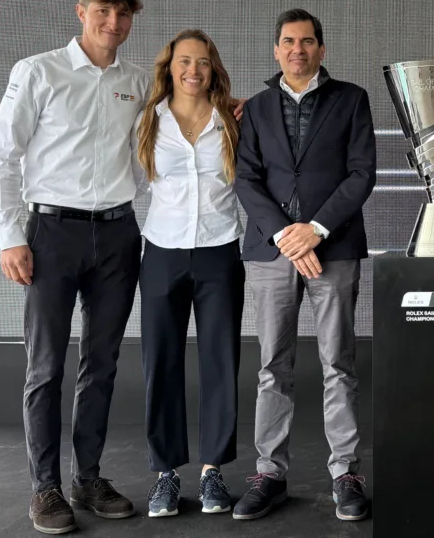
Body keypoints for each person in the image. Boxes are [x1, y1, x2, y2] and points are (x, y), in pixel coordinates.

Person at [0, 0, 147, 533]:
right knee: (46, 366)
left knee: (101, 364)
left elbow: (166, 138)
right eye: (103, 12)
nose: (113, 24)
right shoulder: (38, 71)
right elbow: (1, 156)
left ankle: (88, 479)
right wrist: (10, 235)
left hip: (119, 235)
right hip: (51, 235)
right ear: (81, 12)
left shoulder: (138, 81)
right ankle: (45, 488)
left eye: (123, 15)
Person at [232, 8, 376, 522]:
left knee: (338, 363)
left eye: (308, 41)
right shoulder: (256, 108)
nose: (298, 50)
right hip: (272, 252)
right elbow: (246, 178)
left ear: (322, 48)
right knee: (273, 365)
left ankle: (346, 474)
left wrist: (314, 229)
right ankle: (269, 474)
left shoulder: (351, 99)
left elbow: (361, 174)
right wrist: (286, 235)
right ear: (276, 50)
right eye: (289, 42)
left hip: (333, 249)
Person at [130, 30, 245, 518]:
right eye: (183, 61)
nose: (192, 70)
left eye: (202, 61)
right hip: (162, 251)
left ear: (213, 68)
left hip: (220, 250)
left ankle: (213, 470)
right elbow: (130, 179)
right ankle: (166, 474)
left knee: (221, 360)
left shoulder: (233, 120)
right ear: (169, 67)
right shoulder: (147, 120)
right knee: (161, 361)